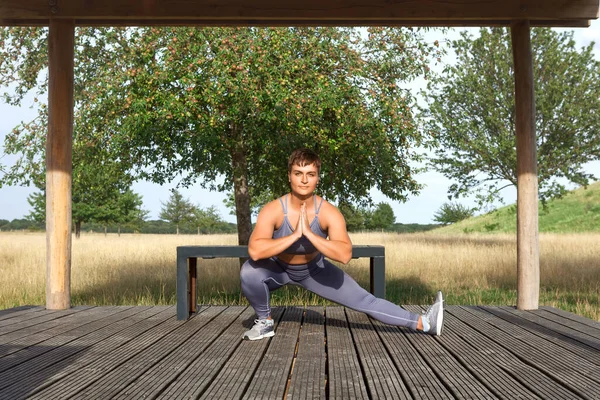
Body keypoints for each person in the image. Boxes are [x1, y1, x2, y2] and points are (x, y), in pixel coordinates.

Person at [240, 148, 444, 340]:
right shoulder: (274, 209)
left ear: (317, 178)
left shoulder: (328, 212)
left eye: (310, 174)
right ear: (289, 176)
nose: (303, 180)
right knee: (249, 271)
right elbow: (256, 251)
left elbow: (345, 254)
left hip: (315, 271)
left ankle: (425, 323)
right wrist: (294, 236)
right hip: (278, 269)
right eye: (298, 173)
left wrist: (310, 234)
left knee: (366, 301)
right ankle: (265, 322)